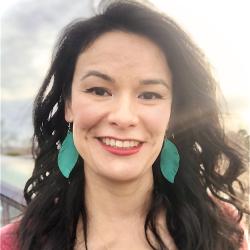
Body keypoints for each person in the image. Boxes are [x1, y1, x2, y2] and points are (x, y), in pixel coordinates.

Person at [0, 0, 248, 249]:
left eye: (149, 95)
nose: (124, 117)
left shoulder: (223, 228)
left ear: (172, 112)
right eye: (99, 90)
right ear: (68, 104)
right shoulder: (14, 243)